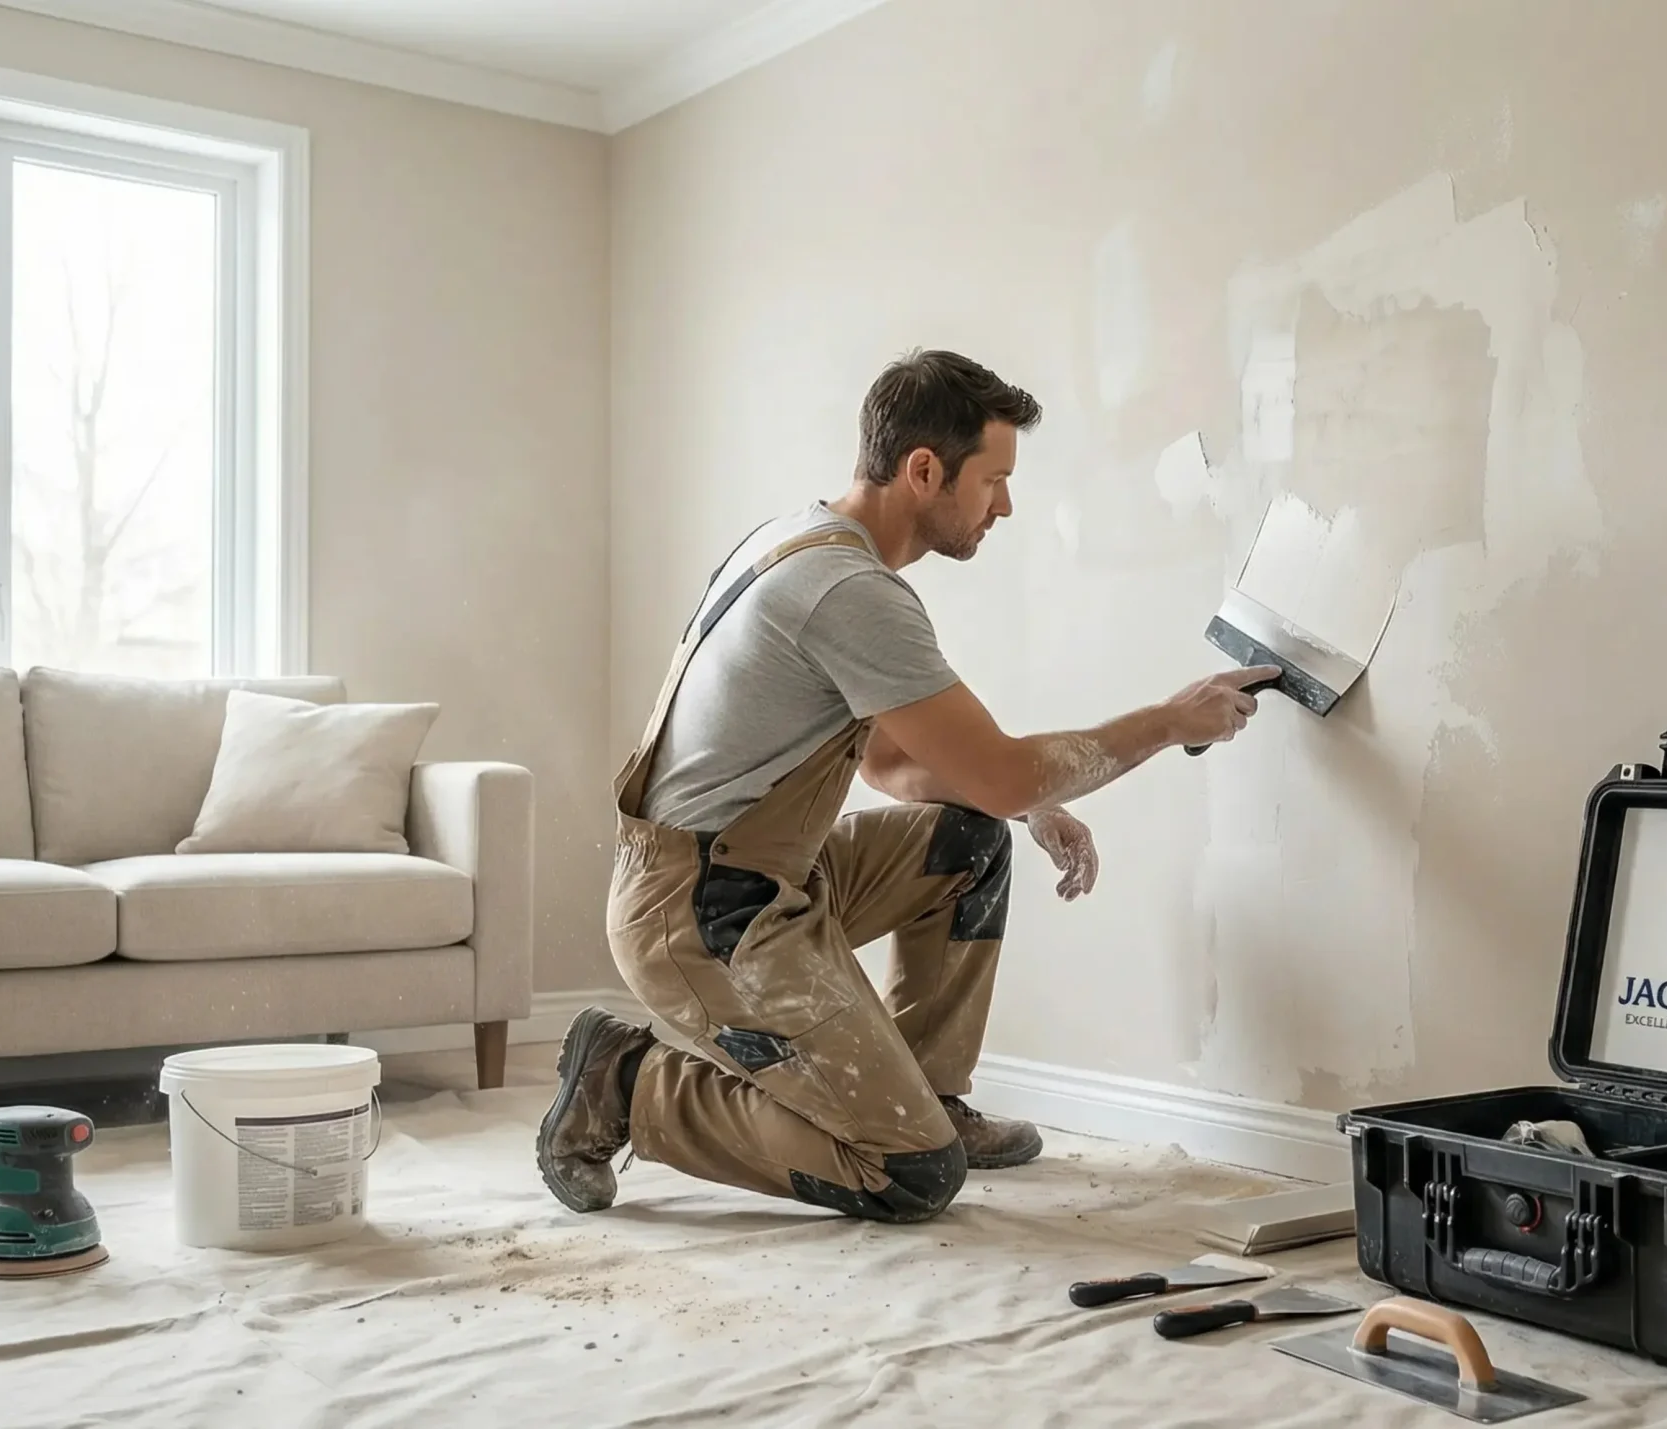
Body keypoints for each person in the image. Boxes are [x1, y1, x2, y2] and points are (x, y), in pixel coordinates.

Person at [536, 349, 1275, 1225]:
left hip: (767, 874)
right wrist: (1167, 720)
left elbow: (891, 762)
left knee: (968, 840)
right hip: (701, 914)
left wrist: (1028, 803)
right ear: (925, 470)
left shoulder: (804, 542)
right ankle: (629, 1084)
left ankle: (929, 1094)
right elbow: (998, 770)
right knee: (910, 1173)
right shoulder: (846, 587)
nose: (1004, 504)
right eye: (994, 479)